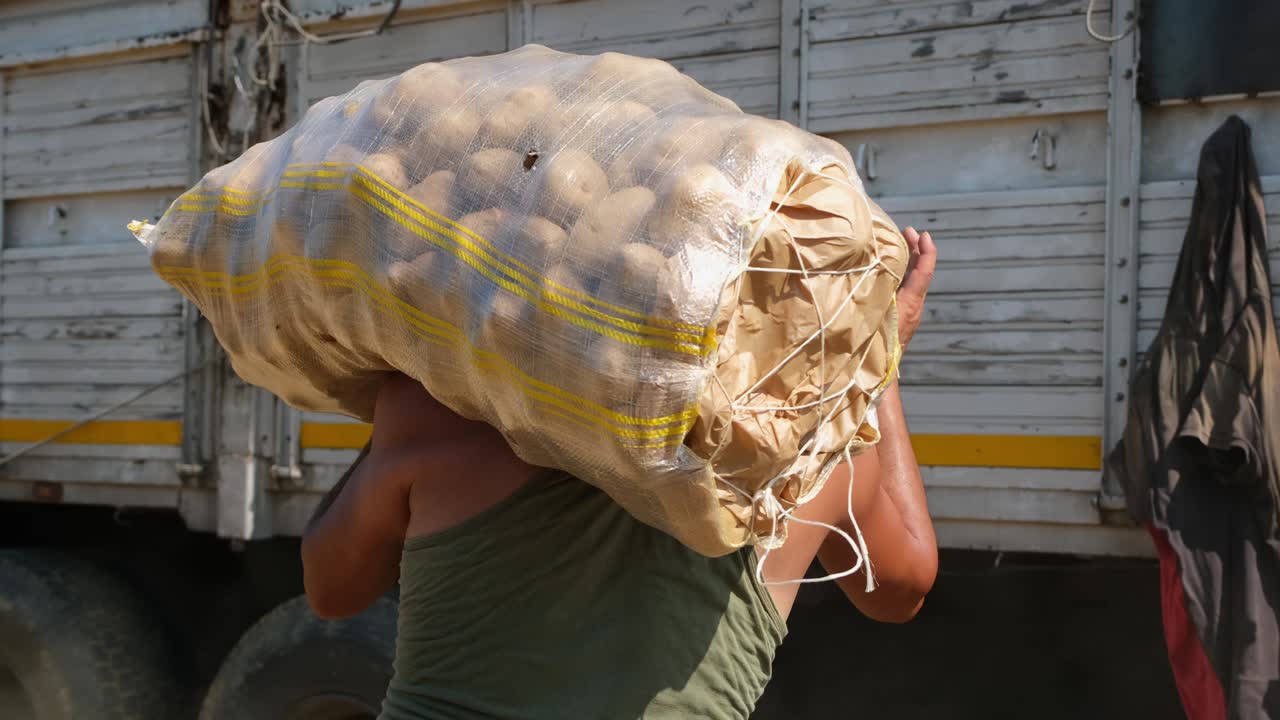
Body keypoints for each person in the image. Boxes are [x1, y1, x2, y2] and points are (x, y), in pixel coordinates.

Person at [301, 227, 940, 719]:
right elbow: (902, 588)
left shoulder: (440, 411)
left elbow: (331, 591)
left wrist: (420, 375)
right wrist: (876, 360)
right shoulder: (807, 450)